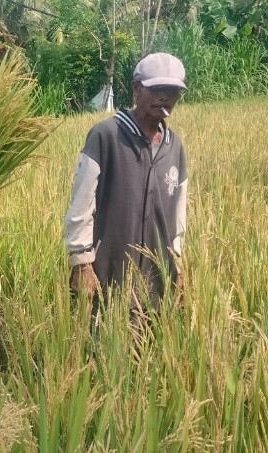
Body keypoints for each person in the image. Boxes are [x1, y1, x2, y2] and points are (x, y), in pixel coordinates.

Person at [64, 52, 189, 331]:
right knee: (104, 357)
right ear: (136, 89)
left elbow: (179, 211)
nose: (164, 97)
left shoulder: (175, 146)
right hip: (109, 274)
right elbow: (81, 203)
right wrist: (81, 262)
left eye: (172, 91)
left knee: (151, 359)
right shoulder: (106, 136)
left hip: (158, 278)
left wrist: (177, 265)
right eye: (156, 89)